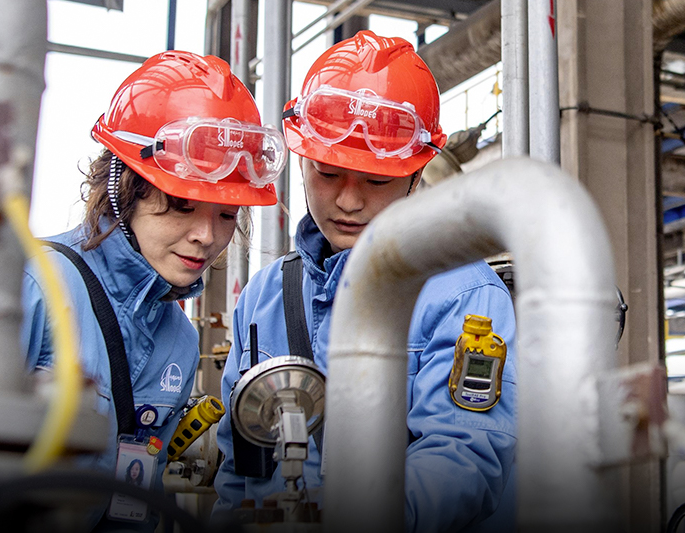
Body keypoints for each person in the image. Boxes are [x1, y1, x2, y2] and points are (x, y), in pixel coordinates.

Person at [213, 31, 518, 532]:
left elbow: (465, 454)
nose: (349, 201)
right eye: (327, 173)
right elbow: (237, 467)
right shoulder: (264, 298)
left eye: (376, 180)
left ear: (417, 173)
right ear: (302, 159)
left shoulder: (464, 296)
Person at [20, 50, 283, 528]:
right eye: (183, 205)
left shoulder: (177, 338)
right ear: (124, 185)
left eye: (227, 214)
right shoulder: (35, 286)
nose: (207, 236)